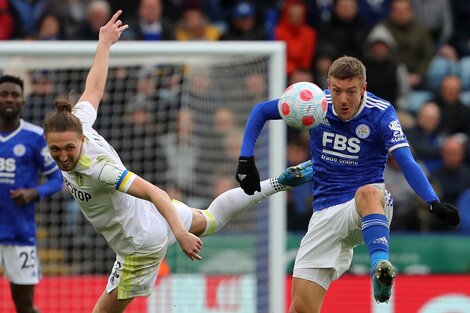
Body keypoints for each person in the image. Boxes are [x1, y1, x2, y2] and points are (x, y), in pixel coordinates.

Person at [41, 10, 312, 313]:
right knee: (209, 220)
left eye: (68, 148)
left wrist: (180, 235)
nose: (63, 156)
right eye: (55, 150)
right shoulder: (77, 121)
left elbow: (154, 191)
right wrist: (104, 44)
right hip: (153, 217)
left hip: (138, 243)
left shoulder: (98, 168)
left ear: (80, 141)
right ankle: (278, 182)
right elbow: (94, 89)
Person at [235, 56, 460, 312]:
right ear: (328, 86)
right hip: (324, 214)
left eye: (351, 92)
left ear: (363, 88)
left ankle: (380, 266)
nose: (343, 100)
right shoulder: (315, 104)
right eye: (337, 91)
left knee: (367, 192)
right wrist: (246, 159)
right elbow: (261, 111)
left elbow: (406, 161)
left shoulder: (380, 113)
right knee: (300, 309)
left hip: (366, 207)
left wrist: (432, 201)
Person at [0, 74, 63, 313]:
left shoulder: (36, 137)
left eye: (14, 95)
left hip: (20, 234)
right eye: (4, 94)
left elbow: (58, 178)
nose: (9, 99)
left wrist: (34, 192)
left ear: (22, 101)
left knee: (25, 306)